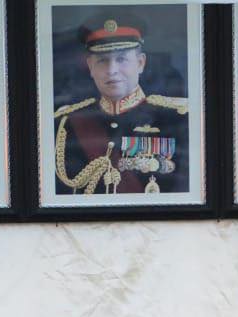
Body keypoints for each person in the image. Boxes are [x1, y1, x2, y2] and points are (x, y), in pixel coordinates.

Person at [54, 19, 190, 196]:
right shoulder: (67, 123)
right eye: (102, 61)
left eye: (121, 59)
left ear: (140, 63)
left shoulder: (176, 118)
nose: (112, 70)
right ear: (90, 67)